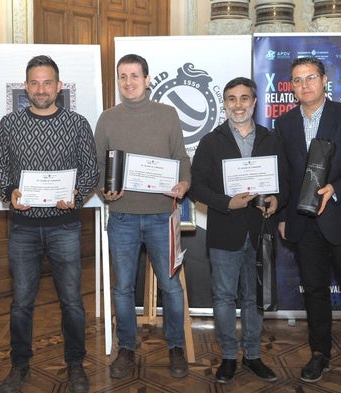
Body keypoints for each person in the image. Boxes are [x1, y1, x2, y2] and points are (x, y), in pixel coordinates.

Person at [274, 57, 341, 393]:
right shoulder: (286, 124)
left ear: (324, 81)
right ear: (290, 87)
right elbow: (285, 175)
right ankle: (319, 354)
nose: (304, 85)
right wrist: (281, 216)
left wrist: (335, 189)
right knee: (315, 294)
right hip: (304, 225)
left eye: (310, 78)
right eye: (297, 80)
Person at [0, 55, 98, 393]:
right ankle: (20, 366)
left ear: (59, 86)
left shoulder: (78, 124)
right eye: (34, 83)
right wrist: (10, 192)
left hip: (65, 226)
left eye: (47, 82)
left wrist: (77, 195)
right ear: (26, 87)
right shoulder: (8, 125)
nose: (41, 89)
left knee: (72, 302)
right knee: (21, 302)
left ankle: (75, 364)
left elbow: (91, 170)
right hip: (22, 227)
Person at [95, 53, 191, 379]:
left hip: (162, 216)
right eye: (123, 76)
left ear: (147, 80)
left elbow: (181, 158)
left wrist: (184, 183)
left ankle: (176, 346)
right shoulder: (107, 118)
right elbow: (97, 167)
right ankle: (126, 347)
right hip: (121, 216)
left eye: (135, 76)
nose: (128, 82)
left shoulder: (167, 115)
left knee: (171, 287)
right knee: (122, 289)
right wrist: (103, 190)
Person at [190, 77, 284, 384]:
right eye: (232, 99)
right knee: (224, 297)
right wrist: (226, 203)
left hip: (261, 231)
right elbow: (197, 187)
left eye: (244, 98)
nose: (238, 104)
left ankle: (253, 356)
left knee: (255, 297)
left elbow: (287, 183)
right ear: (225, 104)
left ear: (254, 102)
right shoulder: (210, 141)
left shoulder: (272, 139)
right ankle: (229, 357)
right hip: (224, 231)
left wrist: (275, 201)